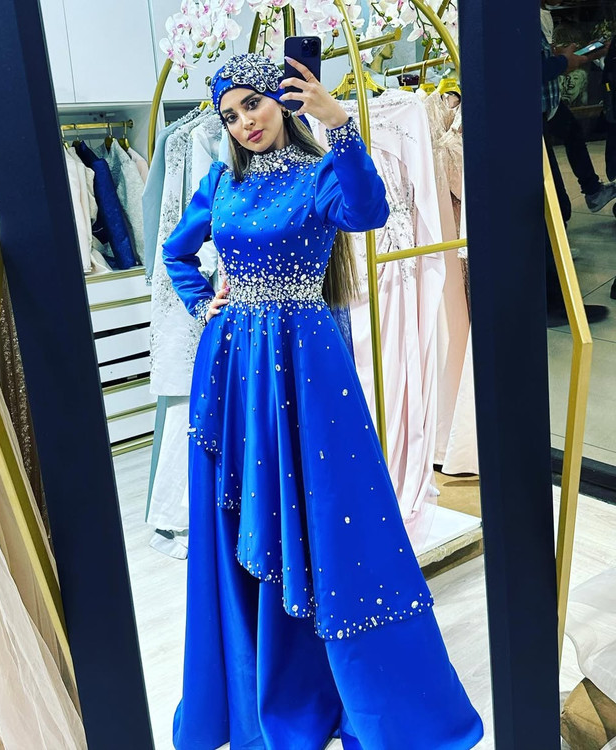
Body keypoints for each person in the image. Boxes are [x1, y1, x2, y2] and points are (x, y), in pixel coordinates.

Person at [162, 52, 484, 749]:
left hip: (305, 360)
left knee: (328, 508)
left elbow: (368, 211)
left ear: (279, 100)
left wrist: (338, 123)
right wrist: (202, 301)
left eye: (252, 103)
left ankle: (351, 688)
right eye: (229, 115)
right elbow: (175, 252)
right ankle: (258, 680)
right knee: (243, 505)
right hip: (232, 362)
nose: (244, 123)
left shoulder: (319, 175)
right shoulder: (218, 182)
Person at [542, 4, 610, 324]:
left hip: (541, 118)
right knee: (551, 208)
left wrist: (561, 57)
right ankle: (553, 303)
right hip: (528, 123)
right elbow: (526, 68)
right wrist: (563, 62)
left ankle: (555, 299)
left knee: (555, 206)